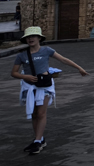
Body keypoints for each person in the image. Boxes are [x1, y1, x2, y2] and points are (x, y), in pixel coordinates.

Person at [11, 26, 88, 155]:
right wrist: (25, 76)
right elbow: (13, 73)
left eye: (33, 36)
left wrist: (79, 68)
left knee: (41, 113)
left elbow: (63, 59)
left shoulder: (47, 50)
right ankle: (39, 139)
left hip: (45, 86)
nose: (31, 39)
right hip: (29, 86)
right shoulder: (22, 55)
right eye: (28, 37)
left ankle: (37, 141)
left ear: (39, 38)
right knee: (34, 114)